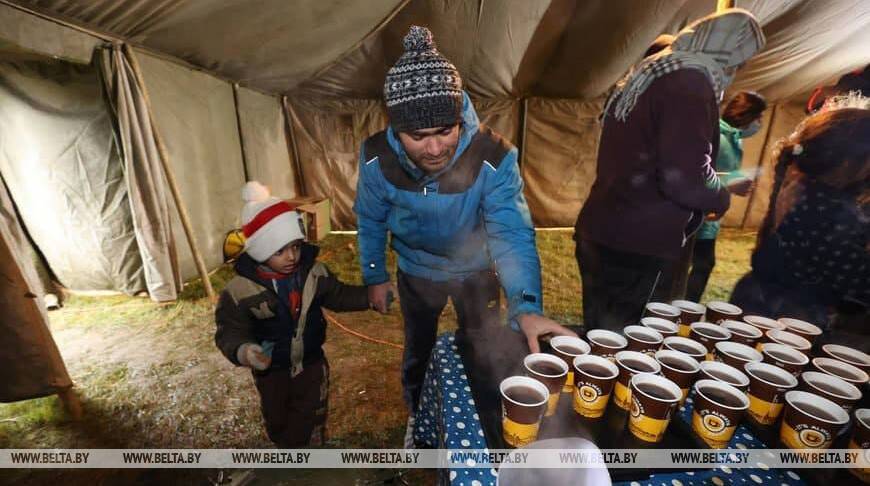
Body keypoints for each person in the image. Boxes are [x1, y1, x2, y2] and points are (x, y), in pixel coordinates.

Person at [354, 25, 576, 444]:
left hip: (476, 272)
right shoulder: (375, 159)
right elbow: (369, 219)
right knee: (418, 350)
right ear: (395, 128)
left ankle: (484, 417)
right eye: (418, 136)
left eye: (445, 131)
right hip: (417, 274)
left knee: (483, 345)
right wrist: (374, 276)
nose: (435, 149)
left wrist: (526, 305)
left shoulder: (494, 157)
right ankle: (418, 414)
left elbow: (511, 233)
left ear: (460, 118)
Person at [574, 9, 765, 332]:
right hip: (639, 244)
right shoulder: (690, 84)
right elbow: (685, 180)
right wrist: (720, 196)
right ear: (728, 53)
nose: (738, 69)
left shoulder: (654, 71)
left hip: (604, 229)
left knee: (600, 333)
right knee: (626, 342)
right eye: (740, 60)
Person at [215, 182, 376, 447]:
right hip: (271, 370)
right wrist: (244, 351)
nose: (291, 256)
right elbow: (229, 330)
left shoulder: (314, 273)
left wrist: (369, 296)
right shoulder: (240, 291)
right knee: (277, 418)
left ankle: (311, 451)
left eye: (296, 247)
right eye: (280, 250)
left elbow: (339, 295)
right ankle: (288, 452)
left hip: (311, 361)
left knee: (311, 411)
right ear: (260, 250)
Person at [730, 95, 869, 344]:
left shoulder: (800, 184)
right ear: (848, 161)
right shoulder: (830, 209)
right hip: (793, 318)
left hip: (760, 298)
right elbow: (855, 280)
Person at [685, 91, 767, 302]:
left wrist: (738, 180)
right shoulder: (718, 137)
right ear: (747, 115)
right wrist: (732, 183)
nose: (760, 123)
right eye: (759, 117)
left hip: (711, 217)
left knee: (702, 263)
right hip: (697, 215)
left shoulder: (734, 139)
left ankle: (683, 307)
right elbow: (698, 175)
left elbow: (721, 171)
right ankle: (684, 308)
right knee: (701, 264)